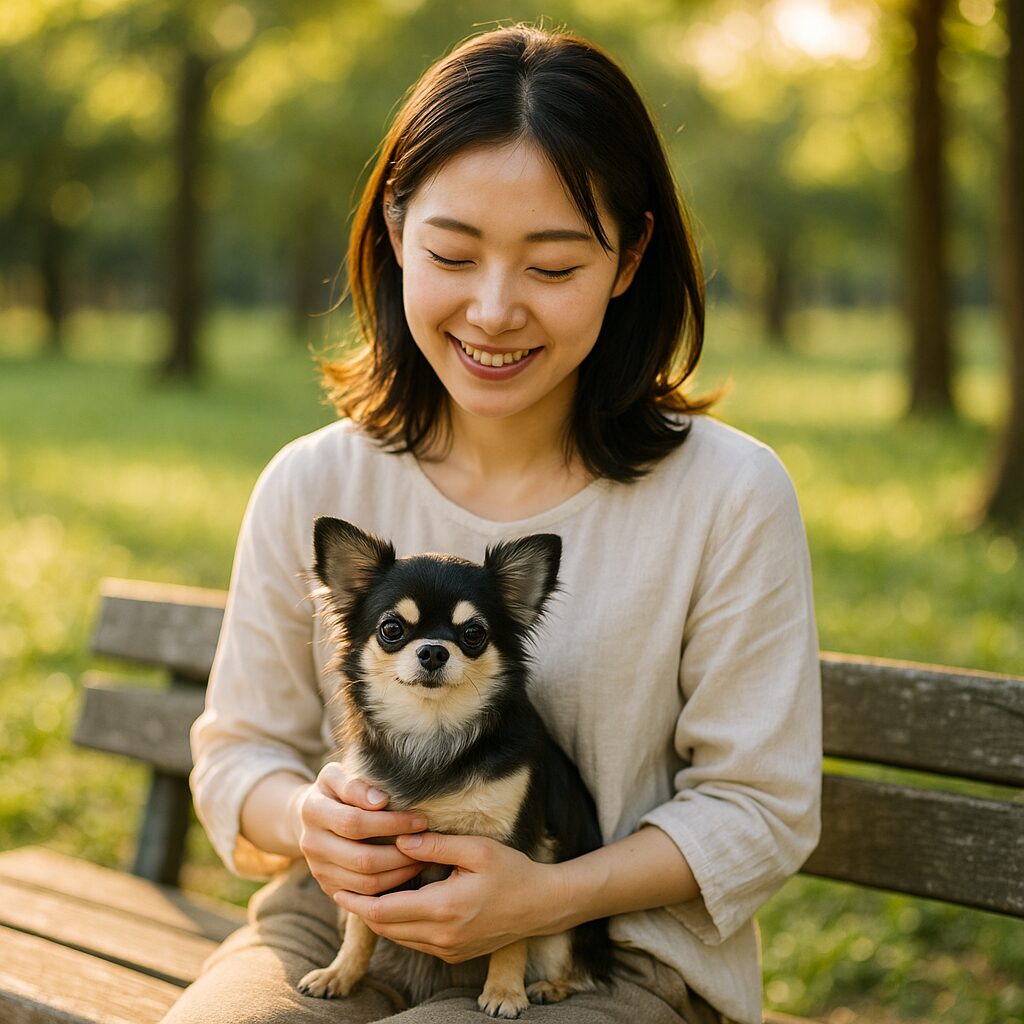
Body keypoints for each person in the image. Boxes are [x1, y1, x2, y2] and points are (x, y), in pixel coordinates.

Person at [166, 24, 821, 1024]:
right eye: (452, 253)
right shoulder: (313, 480)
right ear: (395, 232)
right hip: (334, 924)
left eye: (551, 268)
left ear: (629, 257)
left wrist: (544, 894)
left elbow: (761, 807)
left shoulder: (727, 496)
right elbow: (237, 752)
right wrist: (312, 822)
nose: (493, 309)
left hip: (603, 955)